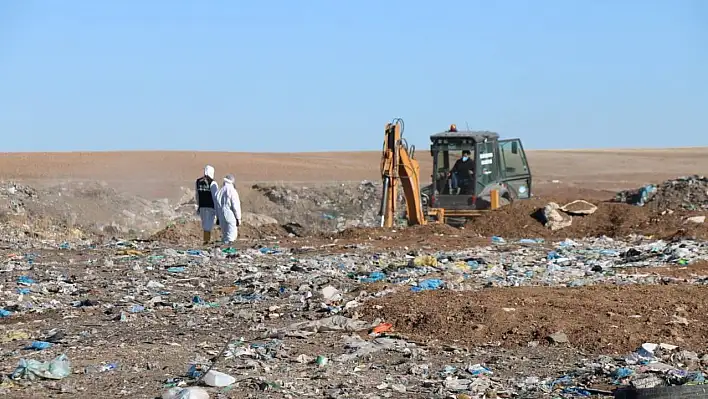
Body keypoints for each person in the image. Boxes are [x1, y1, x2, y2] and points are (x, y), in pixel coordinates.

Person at [195, 165, 219, 245]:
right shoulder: (212, 183)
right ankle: (207, 241)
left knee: (205, 225)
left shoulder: (198, 181)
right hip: (210, 207)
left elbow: (197, 195)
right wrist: (217, 209)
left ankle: (206, 240)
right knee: (209, 225)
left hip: (202, 206)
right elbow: (215, 197)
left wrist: (198, 205)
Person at [215, 174, 242, 244]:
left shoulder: (219, 191)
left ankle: (224, 248)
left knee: (225, 233)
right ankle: (229, 248)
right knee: (231, 234)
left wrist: (218, 217)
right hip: (230, 213)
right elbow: (236, 205)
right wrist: (238, 218)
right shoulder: (232, 191)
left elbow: (216, 205)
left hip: (221, 214)